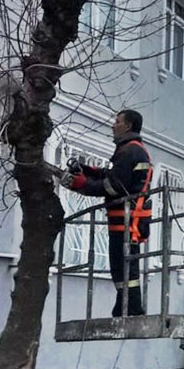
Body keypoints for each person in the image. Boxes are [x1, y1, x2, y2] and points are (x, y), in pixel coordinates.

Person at [62, 109, 154, 317]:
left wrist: (82, 184)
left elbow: (113, 186)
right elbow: (114, 176)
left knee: (123, 268)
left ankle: (131, 308)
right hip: (128, 221)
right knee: (124, 268)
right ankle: (127, 306)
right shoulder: (133, 151)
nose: (113, 125)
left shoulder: (129, 151)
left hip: (126, 221)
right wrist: (88, 171)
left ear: (128, 126)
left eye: (117, 121)